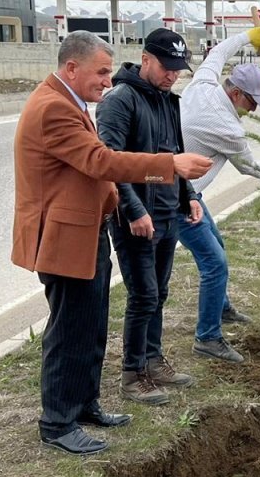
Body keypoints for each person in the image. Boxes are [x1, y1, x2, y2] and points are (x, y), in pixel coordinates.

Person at [11, 31, 211, 455]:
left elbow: (89, 172)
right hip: (63, 238)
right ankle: (58, 423)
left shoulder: (70, 103)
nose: (108, 80)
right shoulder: (53, 109)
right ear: (71, 68)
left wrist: (121, 199)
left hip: (86, 232)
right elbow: (100, 159)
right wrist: (169, 166)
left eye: (108, 71)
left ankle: (85, 406)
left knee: (92, 325)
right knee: (69, 331)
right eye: (101, 72)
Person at [96, 28, 200, 407]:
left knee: (160, 293)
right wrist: (133, 210)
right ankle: (132, 373)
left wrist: (189, 195)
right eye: (166, 67)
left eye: (178, 69)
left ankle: (153, 360)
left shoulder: (169, 102)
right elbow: (109, 161)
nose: (173, 75)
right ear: (145, 59)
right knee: (143, 296)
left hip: (167, 213)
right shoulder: (119, 101)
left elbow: (175, 155)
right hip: (136, 220)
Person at [178, 25, 260, 363]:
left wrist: (248, 37)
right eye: (252, 102)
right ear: (235, 93)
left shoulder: (204, 82)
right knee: (214, 263)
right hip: (176, 197)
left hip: (189, 192)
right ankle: (207, 337)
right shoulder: (226, 126)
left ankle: (220, 308)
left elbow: (219, 51)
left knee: (217, 249)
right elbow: (251, 167)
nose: (253, 109)